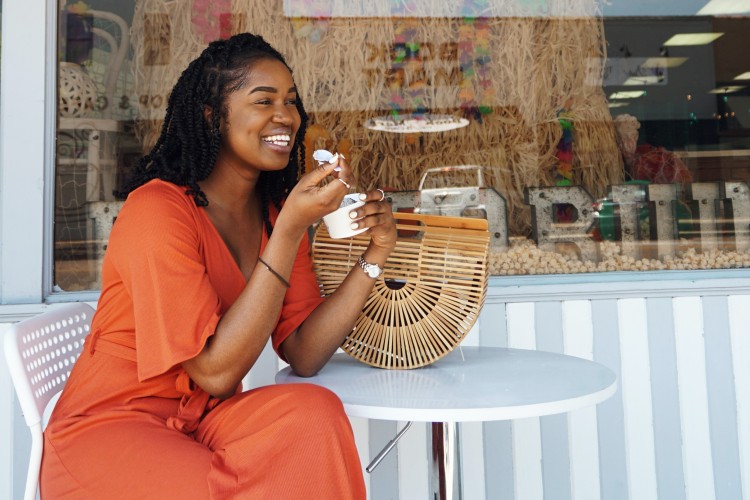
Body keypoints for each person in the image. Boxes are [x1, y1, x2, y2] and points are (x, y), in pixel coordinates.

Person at [41, 32, 397, 499]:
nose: (286, 116)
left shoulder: (272, 214)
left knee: (315, 414)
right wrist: (290, 230)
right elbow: (214, 372)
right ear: (212, 116)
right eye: (263, 100)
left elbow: (304, 352)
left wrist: (375, 255)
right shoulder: (157, 211)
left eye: (290, 101)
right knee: (221, 489)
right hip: (114, 427)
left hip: (203, 422)